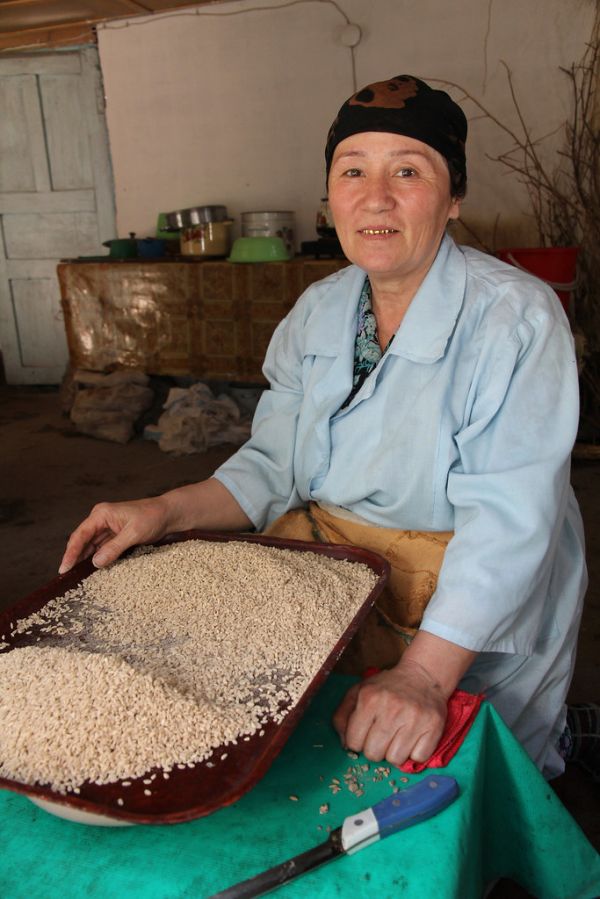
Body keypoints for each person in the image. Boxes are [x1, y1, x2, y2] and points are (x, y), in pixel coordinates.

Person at [60, 74, 588, 781]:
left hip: (466, 612)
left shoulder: (514, 321)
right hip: (343, 589)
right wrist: (164, 509)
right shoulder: (319, 311)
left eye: (409, 170)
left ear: (454, 197)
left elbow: (509, 521)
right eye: (353, 171)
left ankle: (563, 744)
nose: (377, 196)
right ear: (330, 196)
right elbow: (274, 461)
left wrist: (426, 677)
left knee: (472, 781)